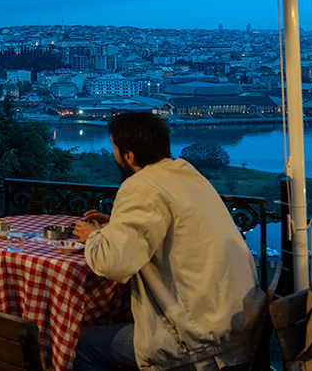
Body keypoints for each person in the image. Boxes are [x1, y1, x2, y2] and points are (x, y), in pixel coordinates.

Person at [72, 111, 264, 371]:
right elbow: (168, 223)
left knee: (78, 345)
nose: (113, 155)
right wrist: (115, 223)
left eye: (114, 148)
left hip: (198, 342)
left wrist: (93, 235)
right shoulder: (185, 173)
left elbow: (111, 263)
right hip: (237, 325)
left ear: (129, 156)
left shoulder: (140, 187)